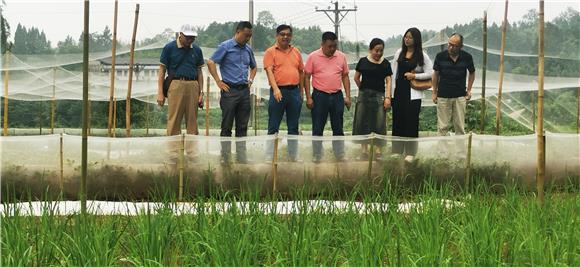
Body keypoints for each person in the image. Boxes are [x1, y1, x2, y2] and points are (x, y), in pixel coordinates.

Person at [207, 21, 257, 164]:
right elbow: (211, 62)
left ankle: (241, 157)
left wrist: (251, 80)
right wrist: (218, 81)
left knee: (242, 126)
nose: (247, 38)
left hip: (244, 92)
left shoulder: (248, 49)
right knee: (227, 125)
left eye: (250, 36)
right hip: (229, 91)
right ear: (238, 31)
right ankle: (225, 157)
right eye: (246, 35)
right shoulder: (225, 46)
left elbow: (254, 67)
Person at [157, 24, 204, 162]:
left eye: (193, 37)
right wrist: (160, 92)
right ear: (180, 35)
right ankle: (173, 155)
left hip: (193, 85)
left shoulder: (197, 50)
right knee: (174, 120)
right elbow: (162, 71)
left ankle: (192, 154)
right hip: (176, 84)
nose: (191, 40)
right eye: (188, 37)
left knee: (192, 122)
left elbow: (199, 72)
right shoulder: (169, 48)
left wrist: (201, 92)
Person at [304, 31, 351, 163]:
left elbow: (345, 76)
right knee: (318, 127)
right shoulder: (313, 57)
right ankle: (317, 155)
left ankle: (340, 155)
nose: (332, 49)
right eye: (329, 46)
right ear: (322, 44)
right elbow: (306, 77)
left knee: (338, 127)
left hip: (337, 96)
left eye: (334, 46)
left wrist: (347, 96)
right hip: (319, 96)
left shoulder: (341, 57)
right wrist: (308, 97)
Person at [390, 27, 433, 163]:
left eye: (410, 37)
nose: (407, 39)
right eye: (405, 37)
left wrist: (414, 75)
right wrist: (390, 94)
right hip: (399, 91)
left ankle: (410, 152)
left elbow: (431, 73)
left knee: (411, 121)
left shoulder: (422, 55)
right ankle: (397, 150)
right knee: (398, 120)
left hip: (412, 93)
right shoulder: (399, 53)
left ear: (416, 40)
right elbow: (393, 72)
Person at [263, 24, 304, 162]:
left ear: (291, 36)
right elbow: (269, 71)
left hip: (294, 92)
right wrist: (275, 89)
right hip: (278, 92)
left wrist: (301, 92)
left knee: (293, 126)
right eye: (282, 34)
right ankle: (270, 156)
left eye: (288, 34)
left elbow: (301, 72)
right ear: (277, 36)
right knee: (273, 125)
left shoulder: (296, 51)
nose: (285, 37)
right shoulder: (270, 52)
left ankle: (293, 155)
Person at [353, 38, 392, 160]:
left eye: (381, 51)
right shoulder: (363, 61)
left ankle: (379, 152)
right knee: (362, 120)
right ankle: (364, 151)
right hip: (364, 94)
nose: (379, 53)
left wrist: (387, 98)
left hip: (379, 95)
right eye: (376, 50)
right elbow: (356, 77)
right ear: (370, 50)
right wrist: (363, 89)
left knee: (379, 121)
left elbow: (388, 81)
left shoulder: (385, 63)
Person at [432, 33, 476, 136]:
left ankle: (459, 152)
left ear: (461, 46)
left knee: (460, 127)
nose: (451, 47)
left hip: (460, 96)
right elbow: (435, 74)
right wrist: (434, 92)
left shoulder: (467, 57)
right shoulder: (440, 56)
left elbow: (472, 72)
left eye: (454, 46)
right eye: (449, 44)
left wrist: (468, 90)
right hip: (443, 95)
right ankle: (443, 152)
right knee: (442, 127)